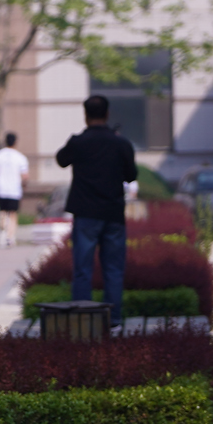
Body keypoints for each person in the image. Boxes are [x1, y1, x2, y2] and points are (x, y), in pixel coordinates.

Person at [54, 98, 136, 327]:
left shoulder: (78, 142)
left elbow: (61, 160)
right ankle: (113, 318)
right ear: (107, 114)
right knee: (114, 270)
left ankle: (83, 319)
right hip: (113, 213)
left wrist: (77, 141)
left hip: (85, 213)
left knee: (82, 269)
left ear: (85, 115)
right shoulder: (120, 143)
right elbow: (131, 175)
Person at [0, 132, 30, 248]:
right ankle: (10, 237)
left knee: (2, 212)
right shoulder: (20, 157)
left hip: (0, 188)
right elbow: (25, 175)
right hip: (14, 189)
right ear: (15, 142)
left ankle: (2, 233)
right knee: (12, 214)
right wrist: (24, 184)